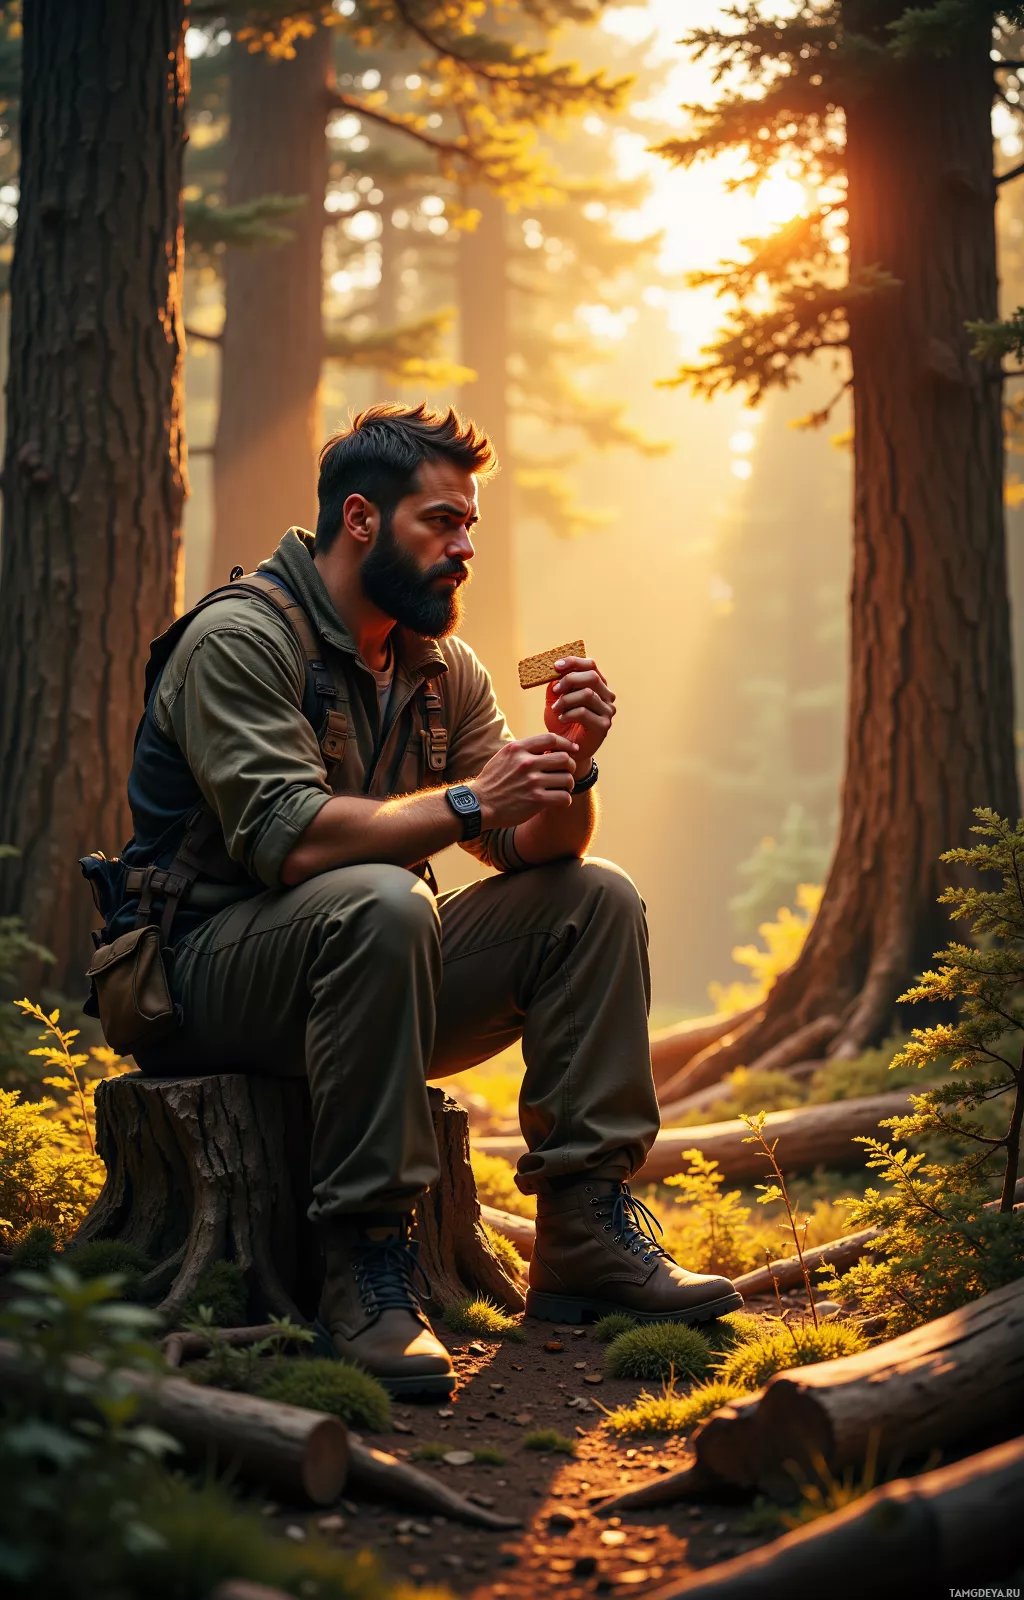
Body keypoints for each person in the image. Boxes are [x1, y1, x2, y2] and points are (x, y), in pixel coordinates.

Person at [101, 403, 740, 1396]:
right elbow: (295, 840)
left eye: (469, 524)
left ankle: (583, 1235)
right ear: (361, 520)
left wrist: (570, 765)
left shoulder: (444, 667)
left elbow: (529, 847)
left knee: (593, 898)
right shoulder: (241, 639)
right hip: (204, 981)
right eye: (441, 523)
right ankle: (365, 1262)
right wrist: (472, 796)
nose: (465, 547)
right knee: (382, 901)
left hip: (365, 965)